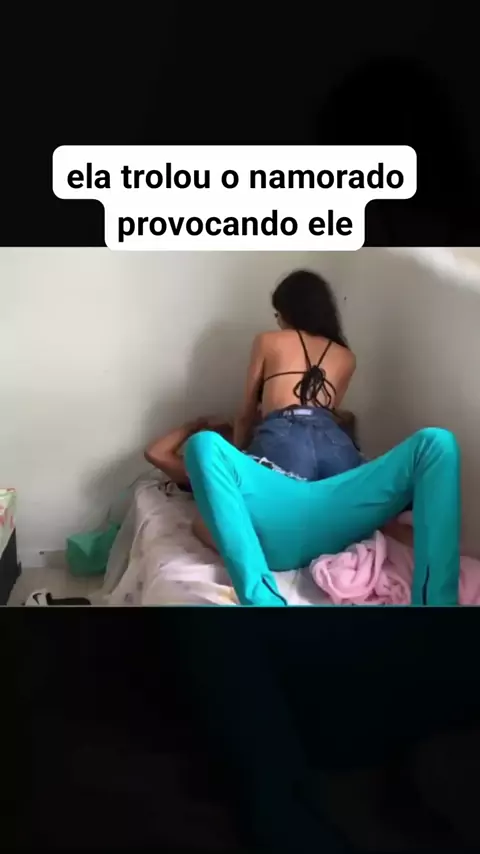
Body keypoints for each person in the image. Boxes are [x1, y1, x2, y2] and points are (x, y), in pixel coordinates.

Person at [184, 426, 461, 607]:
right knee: (203, 442)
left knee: (437, 442)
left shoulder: (342, 432)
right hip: (274, 506)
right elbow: (205, 508)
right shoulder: (249, 448)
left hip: (336, 502)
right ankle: (264, 605)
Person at [233, 269, 362, 481]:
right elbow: (329, 413)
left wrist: (236, 460)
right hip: (335, 444)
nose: (278, 321)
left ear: (288, 311)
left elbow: (246, 415)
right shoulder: (347, 357)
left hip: (283, 436)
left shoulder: (268, 341)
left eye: (277, 314)